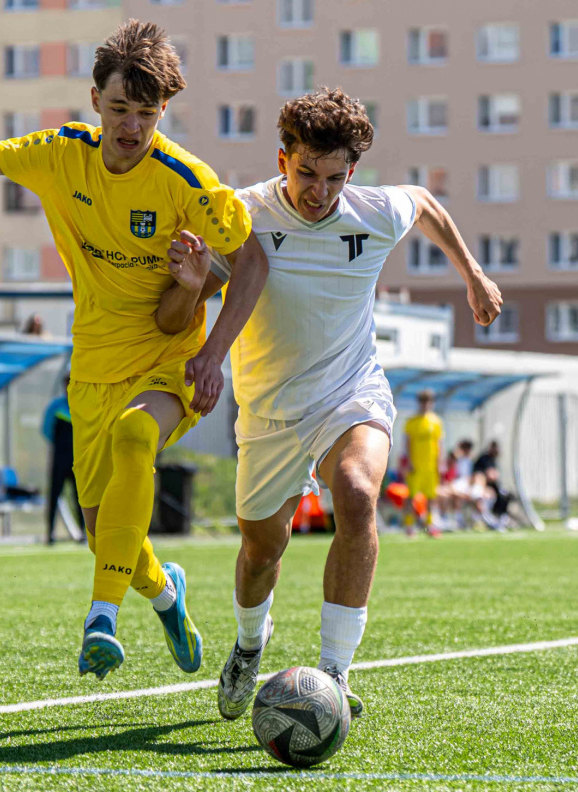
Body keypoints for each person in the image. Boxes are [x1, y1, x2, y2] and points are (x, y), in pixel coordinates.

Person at [0, 19, 269, 680]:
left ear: (163, 112)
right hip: (93, 363)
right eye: (119, 109)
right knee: (103, 533)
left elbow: (253, 265)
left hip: (168, 359)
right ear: (94, 100)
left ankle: (101, 619)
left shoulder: (186, 180)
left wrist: (212, 355)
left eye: (146, 114)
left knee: (134, 440)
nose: (131, 126)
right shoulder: (59, 154)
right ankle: (168, 594)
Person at [156, 88, 502, 719]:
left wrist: (474, 274)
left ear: (353, 172)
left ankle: (334, 674)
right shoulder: (242, 213)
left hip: (351, 392)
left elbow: (425, 204)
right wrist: (191, 286)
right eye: (306, 174)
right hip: (266, 412)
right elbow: (180, 310)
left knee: (357, 490)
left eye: (334, 177)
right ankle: (248, 646)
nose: (319, 192)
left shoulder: (372, 212)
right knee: (263, 550)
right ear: (282, 158)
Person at [42, 375, 84, 544]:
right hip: (59, 459)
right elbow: (46, 430)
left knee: (81, 498)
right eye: (67, 383)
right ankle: (50, 534)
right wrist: (61, 448)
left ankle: (83, 533)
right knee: (54, 496)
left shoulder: (82, 406)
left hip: (78, 460)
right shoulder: (55, 406)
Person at [404, 389, 444, 536]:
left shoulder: (436, 421)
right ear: (418, 403)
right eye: (422, 401)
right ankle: (409, 526)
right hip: (416, 465)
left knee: (431, 497)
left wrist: (440, 463)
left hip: (431, 466)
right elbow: (407, 443)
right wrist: (409, 461)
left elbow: (439, 444)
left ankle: (430, 526)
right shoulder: (411, 422)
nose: (425, 404)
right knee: (411, 497)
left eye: (428, 401)